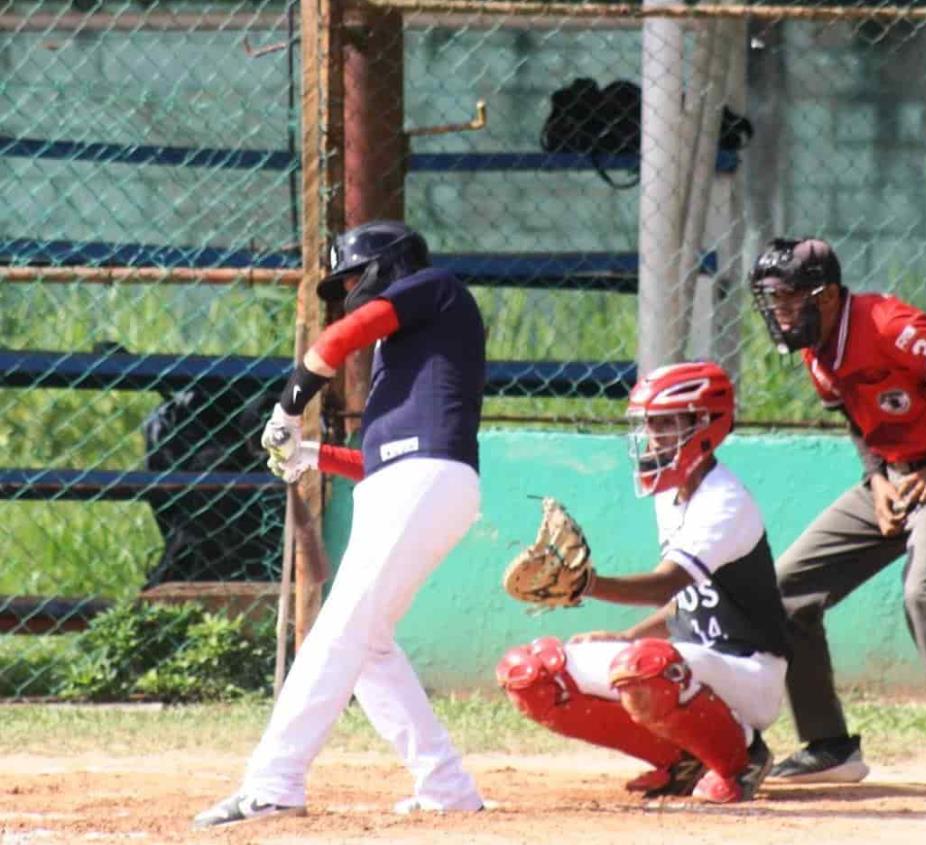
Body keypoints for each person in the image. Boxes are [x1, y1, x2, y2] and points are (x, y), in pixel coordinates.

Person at [193, 220, 487, 828]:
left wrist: (289, 405)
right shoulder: (408, 352)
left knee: (339, 632)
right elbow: (384, 461)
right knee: (369, 645)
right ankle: (445, 785)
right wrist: (312, 455)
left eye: (356, 275)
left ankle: (273, 783)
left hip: (425, 483)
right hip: (412, 483)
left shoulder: (435, 287)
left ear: (388, 267)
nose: (350, 288)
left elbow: (338, 340)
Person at [748, 237, 926, 799]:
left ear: (824, 297)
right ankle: (829, 747)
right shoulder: (816, 347)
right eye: (771, 300)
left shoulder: (891, 326)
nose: (778, 312)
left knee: (923, 594)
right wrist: (875, 480)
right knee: (786, 592)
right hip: (892, 478)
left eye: (787, 298)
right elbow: (857, 413)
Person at [496, 362, 792, 804]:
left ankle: (742, 756)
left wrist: (586, 585)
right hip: (697, 662)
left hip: (748, 671)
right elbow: (687, 603)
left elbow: (665, 586)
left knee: (647, 667)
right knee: (534, 674)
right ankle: (682, 759)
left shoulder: (723, 500)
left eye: (667, 423)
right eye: (649, 424)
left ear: (705, 425)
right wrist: (629, 636)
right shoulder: (672, 494)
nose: (653, 436)